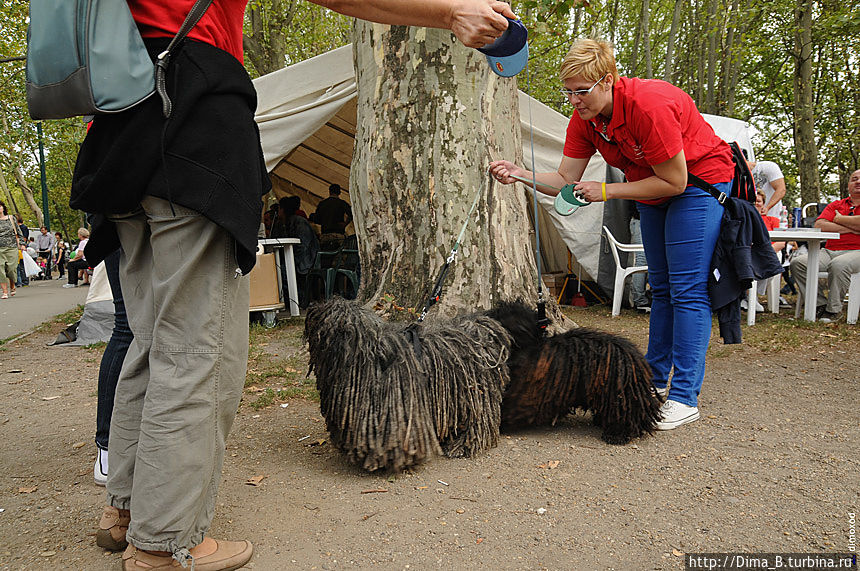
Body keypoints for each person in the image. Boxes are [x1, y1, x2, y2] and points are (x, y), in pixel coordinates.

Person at [69, 1, 515, 570]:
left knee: (149, 343)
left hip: (119, 136)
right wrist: (449, 11)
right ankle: (163, 543)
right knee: (196, 352)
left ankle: (127, 511)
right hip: (189, 131)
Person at [490, 38, 735, 431]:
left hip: (698, 184)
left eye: (581, 91)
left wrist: (606, 191)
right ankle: (653, 380)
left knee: (687, 289)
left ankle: (684, 396)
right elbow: (565, 179)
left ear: (607, 80)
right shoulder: (586, 119)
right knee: (661, 288)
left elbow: (675, 181)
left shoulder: (648, 106)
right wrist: (521, 174)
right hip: (651, 187)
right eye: (568, 92)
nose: (574, 101)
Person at [789, 168, 860, 323]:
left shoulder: (837, 212)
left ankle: (833, 310)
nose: (858, 182)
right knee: (798, 263)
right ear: (848, 184)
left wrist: (839, 219)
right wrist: (852, 228)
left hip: (857, 251)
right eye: (854, 179)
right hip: (829, 251)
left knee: (839, 264)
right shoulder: (836, 205)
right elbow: (820, 225)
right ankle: (819, 305)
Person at [311, 183, 353, 250]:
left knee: (325, 254)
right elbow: (352, 213)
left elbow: (317, 220)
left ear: (329, 191)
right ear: (339, 192)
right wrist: (345, 224)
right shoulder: (342, 203)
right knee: (341, 254)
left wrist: (325, 221)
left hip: (325, 235)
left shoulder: (322, 204)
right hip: (338, 235)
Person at [0, 201, 25, 299]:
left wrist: (22, 244)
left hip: (12, 247)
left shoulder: (11, 218)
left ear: (3, 208)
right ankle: (5, 292)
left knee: (11, 269)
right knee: (0, 270)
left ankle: (12, 285)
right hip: (0, 248)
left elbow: (19, 232)